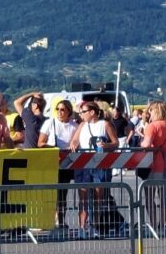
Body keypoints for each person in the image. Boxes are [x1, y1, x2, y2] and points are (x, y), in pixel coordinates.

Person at [69, 101, 119, 239]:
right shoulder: (82, 125)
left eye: (83, 112)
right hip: (83, 165)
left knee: (98, 197)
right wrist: (74, 145)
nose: (81, 115)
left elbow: (116, 143)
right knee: (83, 197)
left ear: (92, 112)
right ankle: (82, 227)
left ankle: (95, 226)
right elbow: (74, 140)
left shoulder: (105, 124)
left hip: (99, 164)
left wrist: (106, 145)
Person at [38, 100, 79, 233]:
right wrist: (55, 148)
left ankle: (61, 221)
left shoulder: (74, 125)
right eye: (58, 109)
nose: (60, 112)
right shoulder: (50, 123)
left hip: (67, 163)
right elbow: (40, 143)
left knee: (62, 193)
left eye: (62, 110)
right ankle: (46, 220)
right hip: (52, 161)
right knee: (50, 193)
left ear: (69, 111)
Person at [141, 101, 166, 235]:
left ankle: (154, 225)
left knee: (149, 196)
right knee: (164, 196)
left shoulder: (152, 126)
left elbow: (146, 145)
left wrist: (142, 137)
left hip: (154, 163)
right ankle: (162, 226)